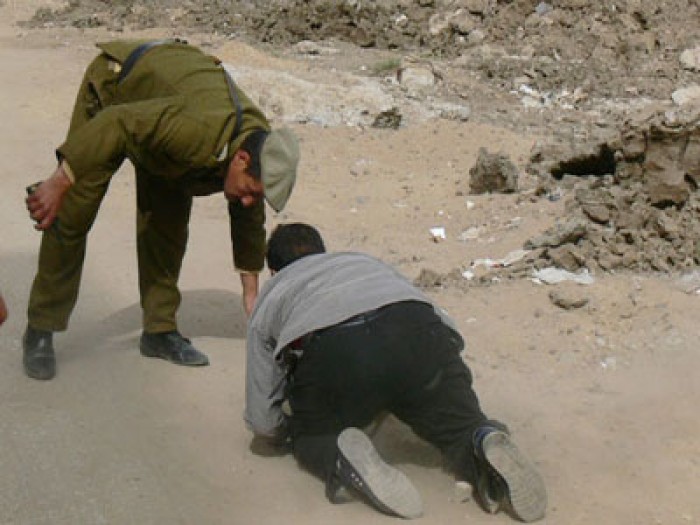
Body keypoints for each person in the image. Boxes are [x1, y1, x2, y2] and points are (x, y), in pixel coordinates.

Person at [23, 39, 300, 381]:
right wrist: (58, 182)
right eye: (249, 192)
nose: (247, 201)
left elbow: (249, 218)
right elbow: (117, 123)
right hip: (117, 90)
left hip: (161, 121)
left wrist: (251, 294)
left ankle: (159, 331)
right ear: (241, 160)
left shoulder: (259, 147)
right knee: (72, 211)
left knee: (167, 225)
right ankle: (41, 328)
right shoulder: (196, 130)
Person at [244, 223, 547, 522]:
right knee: (456, 424)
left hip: (338, 350)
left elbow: (263, 421)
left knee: (312, 434)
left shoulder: (274, 292)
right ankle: (480, 438)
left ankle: (339, 454)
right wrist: (446, 387)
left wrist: (288, 429)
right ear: (323, 252)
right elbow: (449, 332)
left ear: (274, 271)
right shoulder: (362, 262)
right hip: (419, 331)